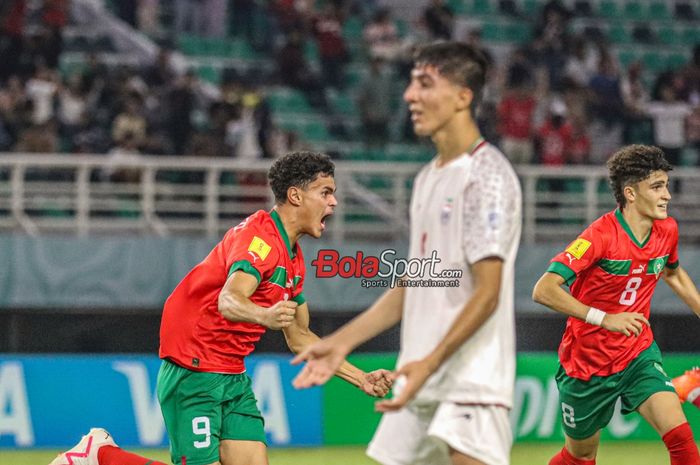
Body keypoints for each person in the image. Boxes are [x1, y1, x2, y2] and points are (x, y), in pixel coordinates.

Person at [49, 151, 392, 465]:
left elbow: (300, 337)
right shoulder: (259, 240)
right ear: (296, 196)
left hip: (231, 373)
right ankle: (101, 454)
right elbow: (229, 300)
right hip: (194, 366)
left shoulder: (294, 259)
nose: (333, 202)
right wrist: (265, 315)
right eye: (325, 192)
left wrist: (360, 377)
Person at [292, 42, 522, 465]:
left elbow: (488, 293)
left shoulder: (487, 177)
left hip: (468, 381)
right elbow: (415, 283)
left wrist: (431, 362)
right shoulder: (427, 179)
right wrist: (340, 343)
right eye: (412, 83)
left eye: (424, 84)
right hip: (419, 377)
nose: (409, 95)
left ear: (462, 96)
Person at [531, 144, 700, 465]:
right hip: (586, 365)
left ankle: (681, 386)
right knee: (579, 457)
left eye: (666, 186)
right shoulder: (599, 237)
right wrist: (604, 318)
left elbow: (674, 275)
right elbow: (544, 289)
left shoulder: (667, 231)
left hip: (637, 353)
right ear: (631, 193)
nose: (667, 195)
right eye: (657, 187)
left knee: (681, 439)